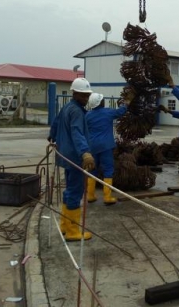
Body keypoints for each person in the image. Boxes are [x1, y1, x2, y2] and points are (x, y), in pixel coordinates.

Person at [48, 77, 95, 242]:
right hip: (75, 157)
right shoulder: (76, 111)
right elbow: (77, 132)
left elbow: (56, 122)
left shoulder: (67, 107)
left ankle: (64, 225)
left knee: (69, 190)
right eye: (82, 95)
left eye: (87, 95)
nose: (86, 98)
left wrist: (52, 135)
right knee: (75, 191)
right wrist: (85, 153)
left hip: (65, 155)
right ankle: (73, 231)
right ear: (74, 93)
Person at [85, 92, 131, 205]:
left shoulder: (87, 115)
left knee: (92, 170)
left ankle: (90, 195)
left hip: (92, 147)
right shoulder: (108, 112)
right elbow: (120, 112)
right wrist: (127, 103)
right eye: (102, 100)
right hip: (106, 146)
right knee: (108, 170)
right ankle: (107, 197)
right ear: (101, 103)